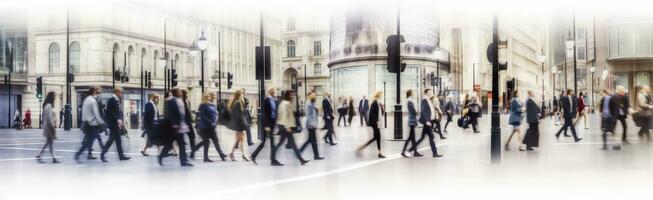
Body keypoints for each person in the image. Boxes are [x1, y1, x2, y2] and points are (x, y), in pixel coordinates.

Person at [273, 90, 309, 165]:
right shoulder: (286, 104)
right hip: (286, 127)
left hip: (283, 126)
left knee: (286, 143)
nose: (292, 96)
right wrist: (287, 127)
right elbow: (285, 116)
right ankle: (301, 159)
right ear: (288, 95)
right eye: (291, 95)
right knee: (289, 144)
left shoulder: (282, 103)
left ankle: (301, 159)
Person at [158, 88, 193, 167]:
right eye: (179, 92)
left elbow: (182, 113)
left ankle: (183, 161)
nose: (181, 93)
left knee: (182, 144)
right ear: (175, 93)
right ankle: (161, 156)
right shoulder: (171, 101)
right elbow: (171, 113)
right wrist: (174, 124)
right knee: (169, 145)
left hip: (181, 125)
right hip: (174, 127)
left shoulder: (180, 100)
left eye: (180, 92)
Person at [191, 92, 227, 162]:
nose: (208, 98)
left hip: (212, 127)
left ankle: (221, 154)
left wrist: (215, 121)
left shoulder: (212, 105)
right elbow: (203, 117)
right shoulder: (203, 105)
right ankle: (205, 157)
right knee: (206, 143)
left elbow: (215, 114)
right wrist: (211, 122)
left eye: (208, 96)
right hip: (205, 127)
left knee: (215, 141)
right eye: (206, 97)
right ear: (204, 98)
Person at [75, 86, 107, 162]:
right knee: (90, 141)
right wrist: (102, 122)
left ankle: (102, 154)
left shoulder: (86, 99)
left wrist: (83, 120)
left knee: (91, 140)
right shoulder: (93, 101)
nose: (98, 91)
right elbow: (96, 113)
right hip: (93, 124)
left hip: (87, 123)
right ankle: (103, 153)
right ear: (94, 91)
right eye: (96, 90)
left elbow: (83, 111)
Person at [252, 87, 282, 166]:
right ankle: (273, 160)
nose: (275, 92)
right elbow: (264, 114)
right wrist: (266, 125)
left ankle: (254, 155)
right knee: (269, 143)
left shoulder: (275, 101)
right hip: (267, 125)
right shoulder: (266, 100)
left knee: (266, 143)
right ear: (271, 92)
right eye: (274, 91)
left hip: (272, 124)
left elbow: (275, 113)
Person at [411, 89, 444, 158]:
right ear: (426, 93)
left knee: (422, 138)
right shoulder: (424, 100)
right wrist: (427, 121)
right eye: (429, 92)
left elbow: (430, 110)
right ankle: (435, 153)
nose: (431, 93)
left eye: (431, 92)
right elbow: (423, 111)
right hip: (427, 122)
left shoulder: (428, 100)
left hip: (429, 121)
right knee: (431, 137)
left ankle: (412, 149)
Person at [100, 87, 131, 162]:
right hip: (113, 124)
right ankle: (104, 154)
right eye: (120, 92)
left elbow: (118, 111)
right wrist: (117, 119)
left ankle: (120, 156)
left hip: (116, 123)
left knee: (116, 140)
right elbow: (109, 112)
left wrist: (120, 119)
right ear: (116, 92)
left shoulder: (117, 99)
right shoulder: (111, 100)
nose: (121, 94)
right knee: (114, 140)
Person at [356, 91, 387, 158]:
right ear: (378, 95)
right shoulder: (374, 102)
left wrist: (382, 107)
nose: (381, 96)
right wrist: (376, 122)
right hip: (375, 123)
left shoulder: (378, 102)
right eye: (380, 95)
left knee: (376, 137)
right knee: (377, 137)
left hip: (376, 123)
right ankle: (379, 153)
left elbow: (380, 112)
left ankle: (362, 148)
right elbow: (371, 114)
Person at [226, 89, 251, 162]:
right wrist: (244, 124)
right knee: (240, 139)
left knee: (240, 139)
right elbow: (239, 115)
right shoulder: (237, 103)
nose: (243, 94)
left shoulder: (236, 102)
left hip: (239, 124)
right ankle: (241, 155)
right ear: (239, 95)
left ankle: (241, 155)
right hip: (239, 125)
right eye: (242, 93)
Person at [36, 91, 61, 163]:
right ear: (52, 97)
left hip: (48, 127)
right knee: (50, 143)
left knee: (49, 143)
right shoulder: (49, 106)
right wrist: (53, 127)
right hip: (49, 127)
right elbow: (50, 119)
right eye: (54, 96)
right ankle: (52, 158)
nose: (55, 98)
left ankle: (42, 156)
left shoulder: (47, 106)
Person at [300, 92, 324, 160]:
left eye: (315, 95)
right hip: (311, 125)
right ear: (310, 96)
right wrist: (312, 124)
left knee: (312, 140)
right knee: (311, 140)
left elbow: (316, 113)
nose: (315, 96)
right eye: (313, 96)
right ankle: (300, 152)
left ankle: (316, 155)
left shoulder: (313, 103)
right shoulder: (309, 104)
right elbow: (308, 115)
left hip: (313, 124)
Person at [401, 90, 422, 157]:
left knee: (412, 137)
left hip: (412, 120)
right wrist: (416, 112)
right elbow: (413, 110)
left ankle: (415, 152)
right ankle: (404, 151)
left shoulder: (410, 100)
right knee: (411, 137)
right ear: (410, 94)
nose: (414, 94)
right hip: (412, 120)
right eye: (413, 93)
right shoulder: (410, 101)